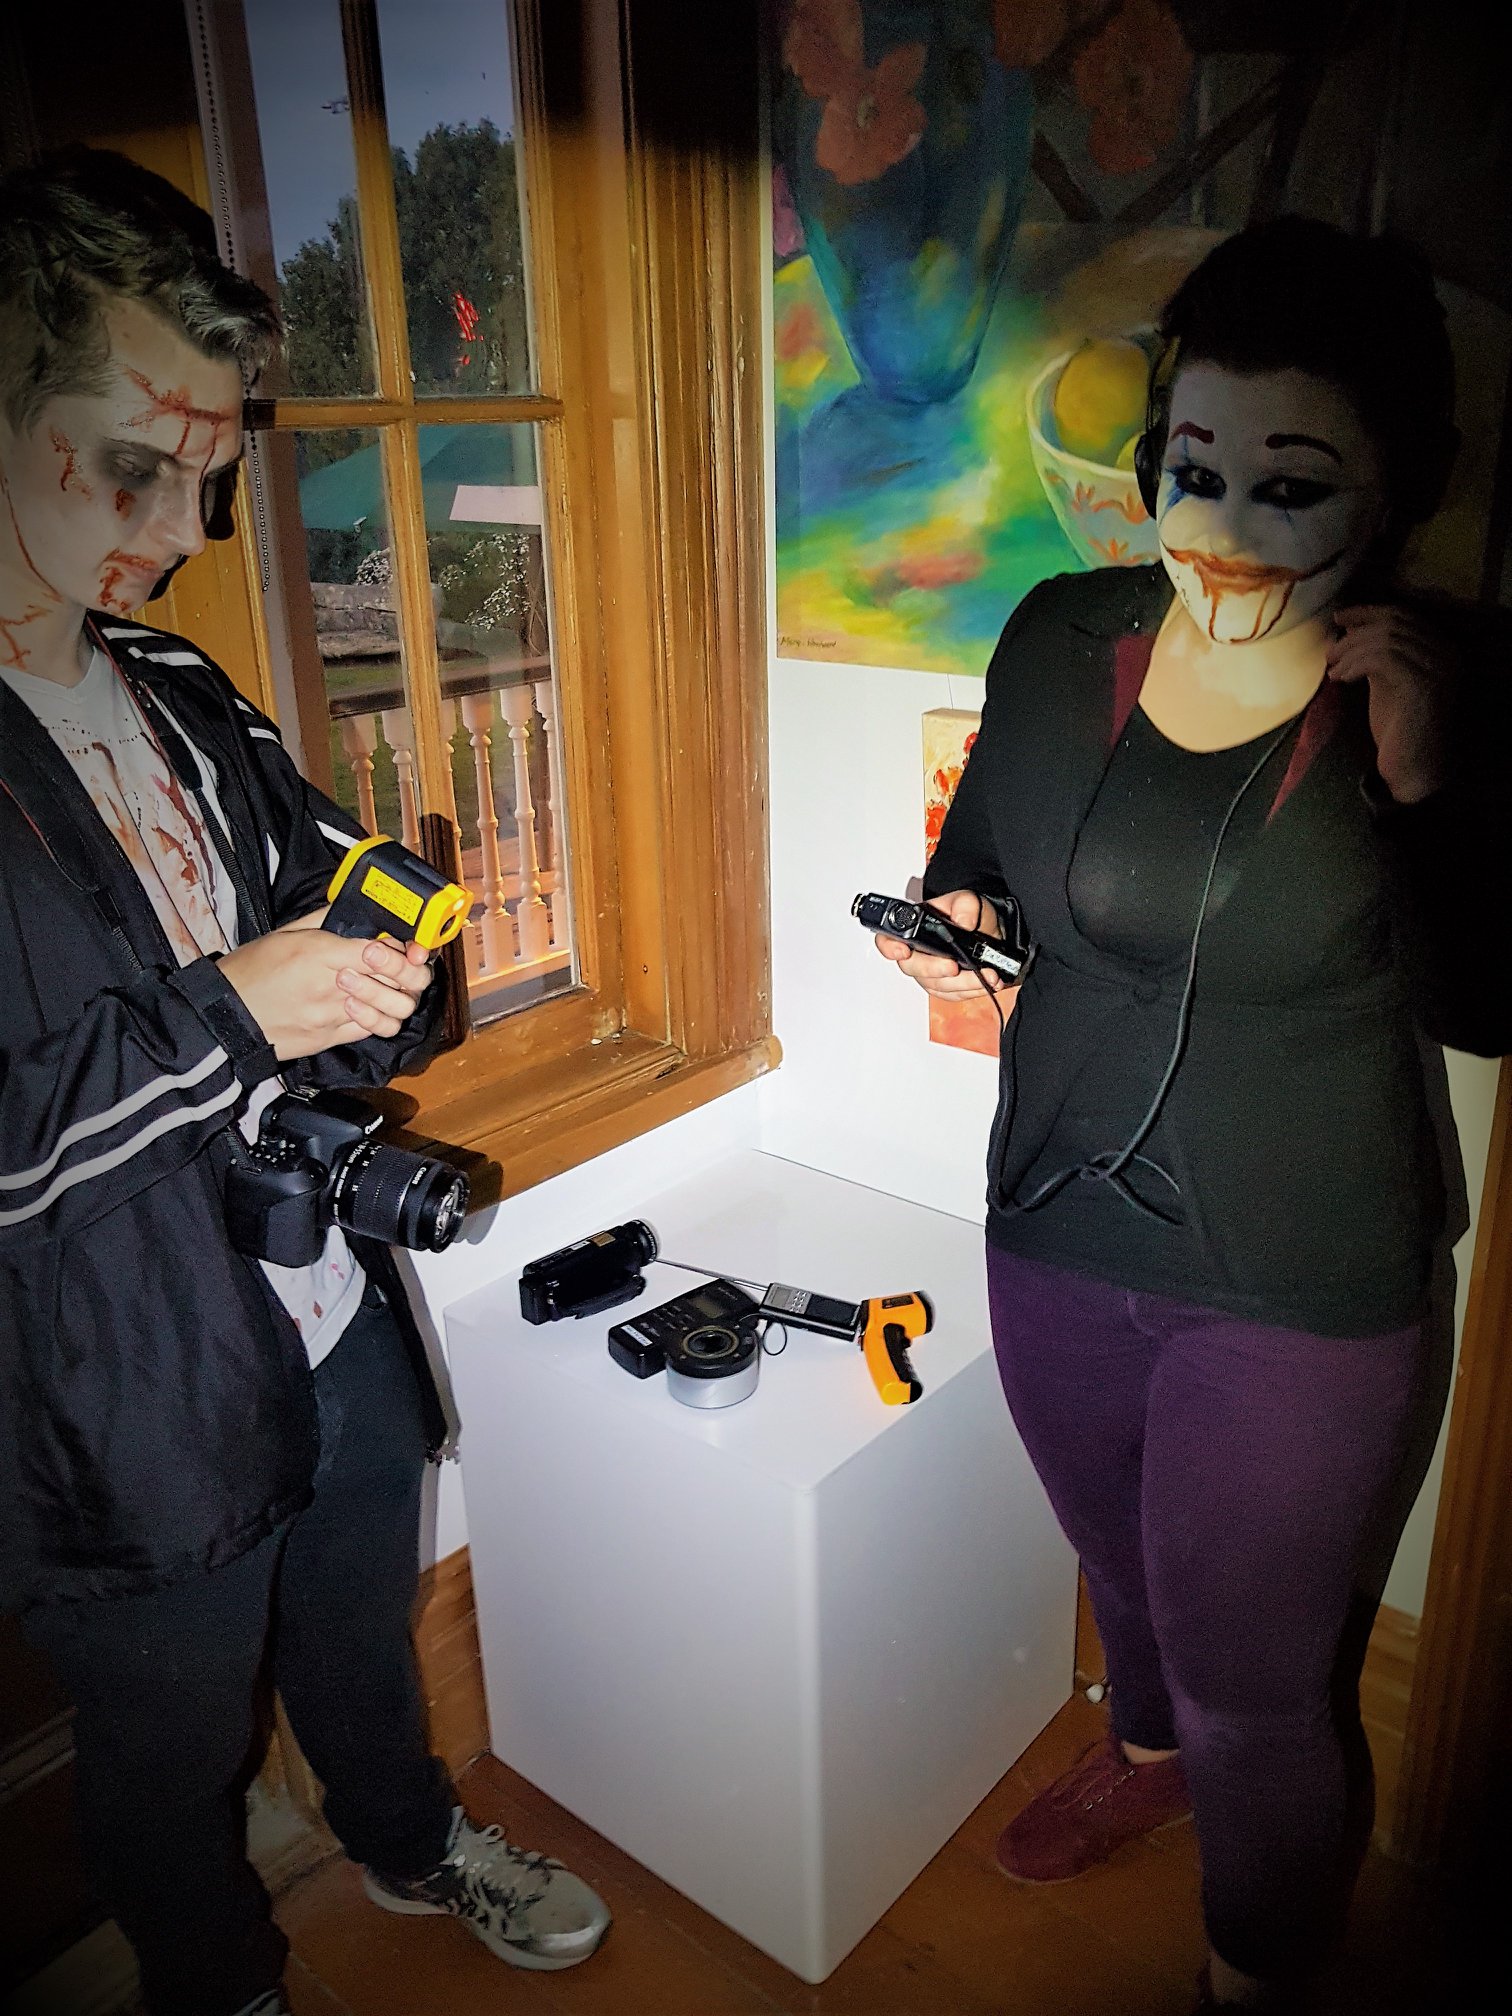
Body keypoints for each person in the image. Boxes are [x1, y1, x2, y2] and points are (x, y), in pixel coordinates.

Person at [877, 216, 1510, 2011]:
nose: (1221, 524)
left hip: (1298, 1275)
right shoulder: (1062, 631)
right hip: (1053, 1220)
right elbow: (983, 851)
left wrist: (1429, 784)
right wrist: (957, 924)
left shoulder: (1451, 684)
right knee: (1119, 1569)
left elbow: (1490, 1004)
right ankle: (1141, 1763)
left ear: (1395, 488)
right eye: (1190, 467)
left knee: (1257, 1691)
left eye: (1289, 484)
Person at [0, 150, 610, 2016]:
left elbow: (317, 896)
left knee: (361, 1624)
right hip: (118, 1392)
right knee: (171, 1755)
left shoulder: (175, 685)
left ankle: (410, 1843)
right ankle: (222, 1984)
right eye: (136, 467)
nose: (184, 527)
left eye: (206, 475)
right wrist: (237, 1014)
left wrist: (385, 972)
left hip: (323, 1294)